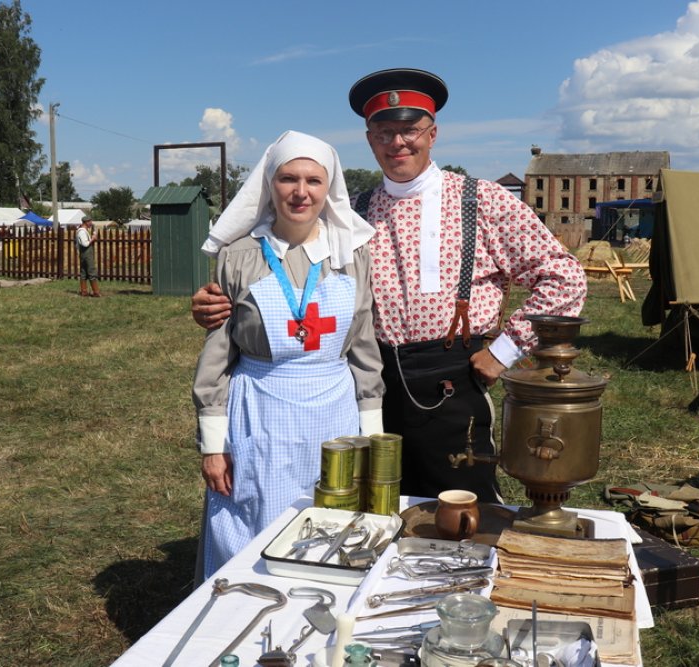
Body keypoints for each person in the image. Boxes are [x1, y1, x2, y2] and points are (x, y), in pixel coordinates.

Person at [192, 69, 586, 504]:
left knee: (460, 506)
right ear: (369, 139)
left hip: (452, 379)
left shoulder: (482, 200)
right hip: (367, 381)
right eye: (384, 133)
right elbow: (281, 256)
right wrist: (220, 301)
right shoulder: (352, 213)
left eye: (410, 130)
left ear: (433, 133)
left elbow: (564, 278)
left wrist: (504, 351)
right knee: (375, 504)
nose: (398, 142)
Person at [193, 130, 384, 579]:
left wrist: (373, 436)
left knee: (331, 523)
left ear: (328, 188)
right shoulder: (239, 257)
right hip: (261, 412)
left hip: (334, 414)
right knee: (253, 519)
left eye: (314, 181)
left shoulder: (351, 254)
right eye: (288, 179)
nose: (301, 192)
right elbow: (217, 357)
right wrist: (213, 445)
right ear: (269, 185)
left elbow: (363, 348)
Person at [75, 216, 101, 297]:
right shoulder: (82, 232)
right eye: (90, 222)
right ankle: (96, 292)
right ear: (86, 222)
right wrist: (93, 238)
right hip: (86, 254)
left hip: (84, 254)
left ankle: (84, 291)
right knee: (91, 271)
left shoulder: (83, 231)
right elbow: (85, 244)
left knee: (83, 272)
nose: (91, 223)